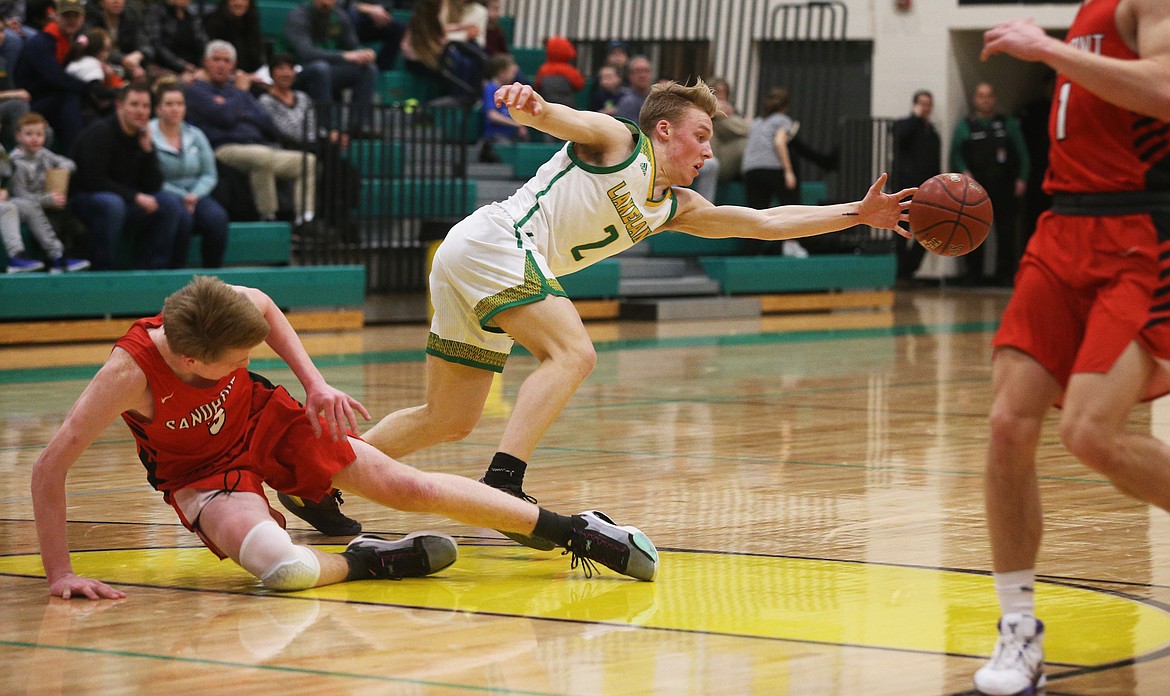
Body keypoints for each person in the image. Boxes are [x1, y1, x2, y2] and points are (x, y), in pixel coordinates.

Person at [361, 79, 912, 549]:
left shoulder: (676, 206)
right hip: (496, 241)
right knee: (573, 353)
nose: (709, 153)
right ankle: (504, 479)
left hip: (475, 261)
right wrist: (533, 106)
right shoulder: (621, 141)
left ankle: (320, 471)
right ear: (664, 130)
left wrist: (856, 213)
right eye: (701, 136)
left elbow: (765, 222)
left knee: (448, 418)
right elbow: (562, 118)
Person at [30, 275, 659, 600]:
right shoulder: (128, 374)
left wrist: (316, 384)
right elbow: (49, 468)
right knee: (282, 570)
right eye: (237, 359)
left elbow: (266, 308)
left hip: (264, 423)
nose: (249, 359)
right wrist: (59, 573)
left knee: (403, 482)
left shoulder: (217, 307)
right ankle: (374, 559)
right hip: (202, 475)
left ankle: (572, 530)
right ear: (192, 362)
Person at [973, 2, 1170, 694]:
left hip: (1139, 236)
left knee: (1089, 431)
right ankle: (1019, 631)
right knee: (1006, 426)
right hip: (1060, 232)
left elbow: (1166, 90)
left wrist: (1049, 50)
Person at [185, 41, 316, 229]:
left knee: (307, 161)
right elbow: (225, 116)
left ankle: (305, 220)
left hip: (258, 146)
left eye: (226, 61)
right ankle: (269, 218)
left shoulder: (236, 91)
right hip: (223, 148)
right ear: (205, 62)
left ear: (233, 65)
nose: (221, 65)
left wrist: (235, 109)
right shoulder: (197, 91)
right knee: (260, 157)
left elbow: (265, 120)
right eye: (216, 60)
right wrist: (239, 98)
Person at [69, 82, 185, 270]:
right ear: (120, 105)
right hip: (85, 199)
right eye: (134, 105)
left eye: (146, 106)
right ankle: (102, 272)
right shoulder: (100, 133)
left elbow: (153, 184)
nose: (141, 111)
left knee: (169, 204)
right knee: (112, 204)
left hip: (124, 201)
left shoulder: (142, 137)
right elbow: (93, 180)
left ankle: (152, 271)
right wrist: (135, 197)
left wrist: (147, 151)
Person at [258, 52, 361, 232]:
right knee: (333, 161)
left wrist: (329, 135)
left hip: (313, 145)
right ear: (272, 73)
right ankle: (336, 219)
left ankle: (338, 215)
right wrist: (319, 140)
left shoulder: (303, 98)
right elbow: (284, 130)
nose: (286, 73)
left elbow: (313, 127)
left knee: (344, 167)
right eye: (280, 68)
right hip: (288, 147)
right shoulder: (266, 101)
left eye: (289, 68)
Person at [949, 81, 1030, 286]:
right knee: (973, 230)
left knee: (1006, 231)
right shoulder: (966, 125)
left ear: (994, 98)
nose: (985, 99)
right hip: (976, 186)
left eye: (989, 95)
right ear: (975, 99)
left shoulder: (1007, 123)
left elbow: (1023, 154)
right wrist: (964, 172)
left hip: (1004, 184)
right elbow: (956, 154)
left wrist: (1022, 178)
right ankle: (973, 274)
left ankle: (1005, 275)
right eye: (981, 95)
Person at [150, 79, 228, 268]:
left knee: (217, 218)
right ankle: (175, 273)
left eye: (179, 104)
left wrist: (194, 195)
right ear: (158, 109)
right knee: (181, 217)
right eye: (169, 104)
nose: (175, 109)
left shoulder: (196, 134)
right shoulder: (148, 134)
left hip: (196, 193)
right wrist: (183, 197)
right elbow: (151, 178)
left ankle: (213, 277)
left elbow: (209, 174)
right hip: (165, 192)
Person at [4, 111, 90, 272]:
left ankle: (60, 257)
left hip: (42, 203)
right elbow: (20, 195)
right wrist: (47, 199)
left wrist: (64, 168)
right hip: (25, 205)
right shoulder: (16, 162)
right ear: (18, 136)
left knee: (73, 221)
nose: (35, 138)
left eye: (39, 134)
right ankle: (55, 255)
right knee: (31, 207)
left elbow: (69, 163)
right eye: (29, 134)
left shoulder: (43, 154)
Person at [13, 0, 100, 153]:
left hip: (52, 96)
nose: (71, 20)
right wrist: (90, 88)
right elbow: (56, 77)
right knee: (71, 98)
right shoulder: (42, 41)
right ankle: (73, 156)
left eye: (76, 16)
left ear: (83, 18)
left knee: (90, 109)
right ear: (57, 16)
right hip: (31, 100)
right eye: (67, 16)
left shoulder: (72, 39)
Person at [283, 0, 377, 132]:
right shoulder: (299, 15)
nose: (325, 2)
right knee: (321, 68)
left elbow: (354, 47)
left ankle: (359, 126)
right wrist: (344, 56)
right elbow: (306, 53)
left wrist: (365, 53)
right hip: (297, 72)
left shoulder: (340, 17)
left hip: (328, 71)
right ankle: (326, 128)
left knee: (367, 69)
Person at [740, 86, 807, 257]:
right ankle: (790, 243)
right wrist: (788, 171)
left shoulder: (757, 122)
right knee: (790, 203)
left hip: (750, 169)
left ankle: (752, 252)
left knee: (756, 212)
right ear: (785, 105)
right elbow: (779, 142)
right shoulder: (782, 120)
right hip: (771, 167)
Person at [890, 89, 940, 284]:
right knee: (902, 229)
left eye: (928, 104)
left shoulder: (933, 132)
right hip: (905, 187)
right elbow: (899, 138)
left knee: (929, 230)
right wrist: (915, 117)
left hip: (926, 190)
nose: (925, 107)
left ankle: (908, 268)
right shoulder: (904, 124)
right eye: (922, 103)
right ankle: (901, 271)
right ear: (915, 104)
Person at [143, 0, 209, 84]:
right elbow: (156, 45)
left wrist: (201, 68)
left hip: (193, 69)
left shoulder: (192, 17)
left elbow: (203, 44)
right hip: (165, 67)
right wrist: (183, 66)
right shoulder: (156, 12)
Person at [85, 0, 151, 83]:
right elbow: (95, 48)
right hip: (102, 62)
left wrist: (140, 54)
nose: (116, 1)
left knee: (144, 72)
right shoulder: (91, 19)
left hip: (130, 62)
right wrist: (123, 59)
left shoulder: (131, 16)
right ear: (101, 2)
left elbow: (146, 44)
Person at [478, 52, 525, 161]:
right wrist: (516, 124)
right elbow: (492, 115)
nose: (514, 76)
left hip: (510, 135)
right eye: (512, 72)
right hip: (495, 135)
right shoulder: (491, 89)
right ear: (502, 72)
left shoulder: (510, 90)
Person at [533, 35, 583, 108]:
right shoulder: (570, 70)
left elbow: (537, 85)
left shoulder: (543, 69)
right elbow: (579, 85)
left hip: (547, 105)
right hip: (567, 107)